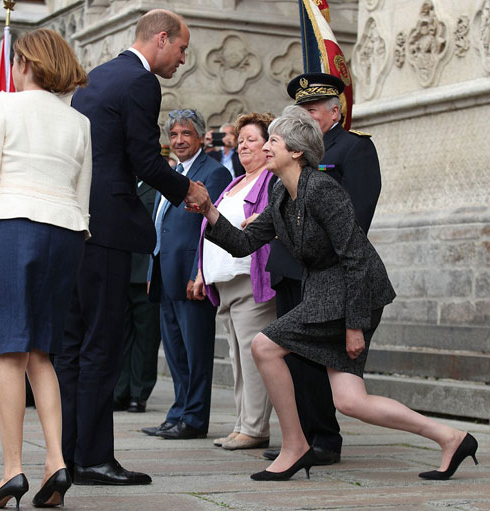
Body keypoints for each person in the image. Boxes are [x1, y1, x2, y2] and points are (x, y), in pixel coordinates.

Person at [189, 107, 477, 482]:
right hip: (326, 292)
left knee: (264, 346)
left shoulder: (323, 190)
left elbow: (355, 257)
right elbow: (244, 243)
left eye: (273, 140)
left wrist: (354, 325)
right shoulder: (281, 192)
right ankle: (452, 438)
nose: (265, 147)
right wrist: (208, 209)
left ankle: (295, 447)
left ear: (296, 151)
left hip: (351, 294)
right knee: (351, 401)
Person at [57, 9, 207, 485]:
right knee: (102, 347)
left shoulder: (95, 77)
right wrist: (187, 190)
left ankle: (66, 455)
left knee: (73, 347)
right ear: (161, 39)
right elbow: (144, 159)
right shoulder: (141, 82)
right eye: (181, 48)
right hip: (107, 230)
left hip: (77, 224)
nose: (182, 59)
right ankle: (93, 459)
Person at [0, 28, 91, 508]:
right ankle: (56, 462)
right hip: (67, 233)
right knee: (41, 354)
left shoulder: (2, 105)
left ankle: (12, 470)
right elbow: (83, 196)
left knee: (10, 351)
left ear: (25, 63)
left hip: (16, 227)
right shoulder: (79, 121)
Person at [263, 72, 382, 465]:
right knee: (293, 359)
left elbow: (356, 219)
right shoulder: (287, 153)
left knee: (316, 359)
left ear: (335, 112)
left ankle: (324, 439)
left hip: (327, 273)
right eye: (302, 110)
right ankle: (299, 437)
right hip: (289, 266)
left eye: (313, 110)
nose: (306, 116)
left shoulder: (353, 148)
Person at [142, 108, 231, 439]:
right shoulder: (172, 173)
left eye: (186, 134)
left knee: (196, 352)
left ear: (201, 138)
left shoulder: (214, 173)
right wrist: (152, 269)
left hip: (192, 277)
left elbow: (212, 227)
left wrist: (200, 272)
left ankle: (193, 419)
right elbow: (160, 224)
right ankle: (178, 412)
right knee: (175, 351)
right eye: (174, 134)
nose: (179, 140)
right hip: (165, 274)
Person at [193, 112, 277, 450]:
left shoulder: (269, 180)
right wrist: (202, 271)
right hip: (224, 284)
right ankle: (243, 422)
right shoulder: (235, 182)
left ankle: (255, 427)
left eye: (251, 140)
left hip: (250, 279)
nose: (243, 146)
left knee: (252, 355)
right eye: (240, 141)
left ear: (268, 146)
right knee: (236, 356)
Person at [113, 178, 161, 414]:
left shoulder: (157, 182)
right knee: (120, 335)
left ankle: (138, 393)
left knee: (146, 336)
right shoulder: (121, 179)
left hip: (145, 272)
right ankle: (120, 390)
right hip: (119, 268)